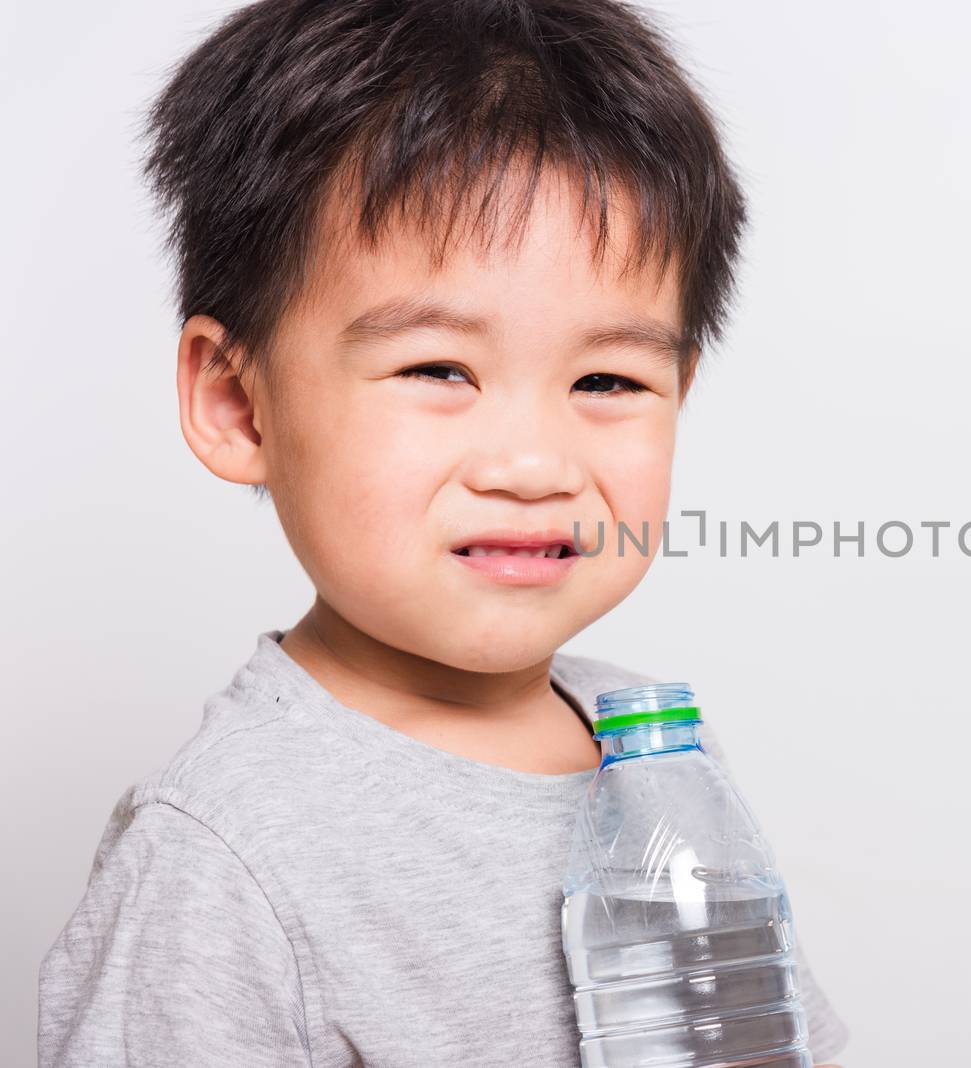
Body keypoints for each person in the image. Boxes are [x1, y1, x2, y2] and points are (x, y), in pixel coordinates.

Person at [36, 1, 849, 1064]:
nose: (532, 465)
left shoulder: (651, 749)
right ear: (240, 406)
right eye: (438, 370)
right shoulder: (226, 855)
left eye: (607, 380)